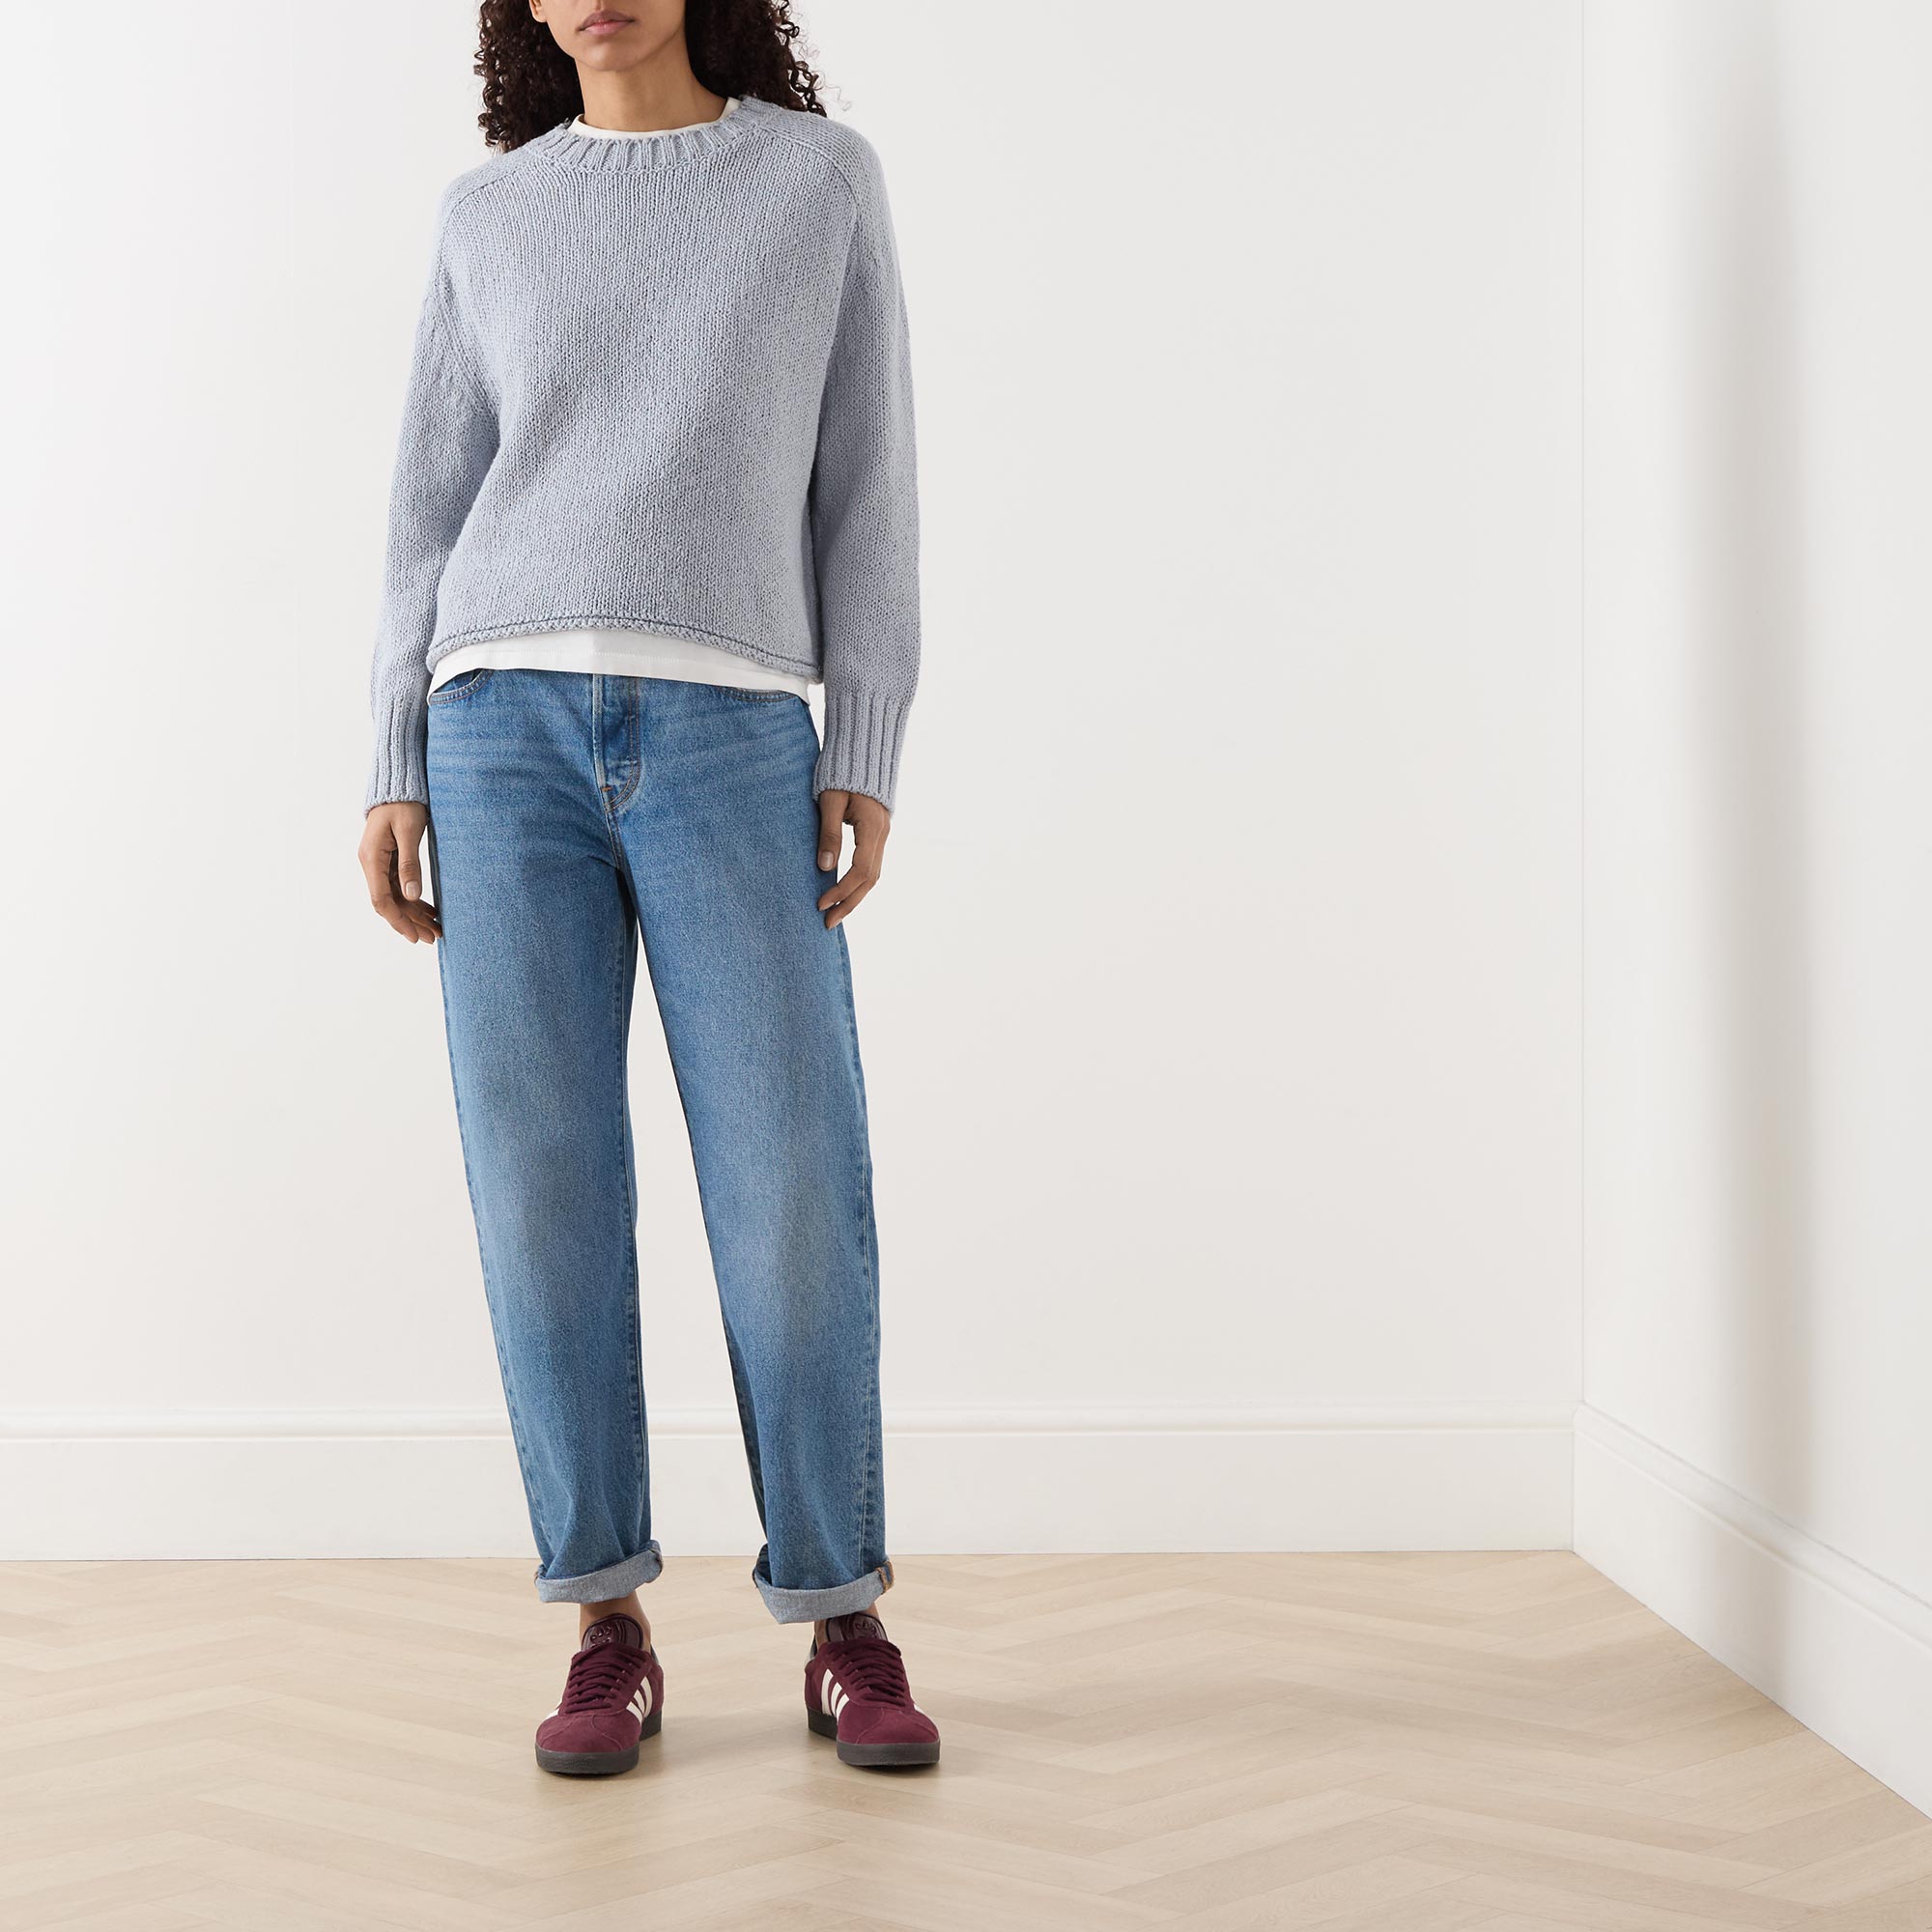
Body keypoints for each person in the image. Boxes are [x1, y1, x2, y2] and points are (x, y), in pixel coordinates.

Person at [355, 0, 936, 1776]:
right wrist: (393, 755)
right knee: (543, 1193)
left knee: (789, 1185)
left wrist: (866, 734)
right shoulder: (490, 212)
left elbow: (871, 480)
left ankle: (841, 1614)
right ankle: (605, 1623)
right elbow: (428, 506)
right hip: (497, 733)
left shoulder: (816, 184)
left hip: (733, 732)